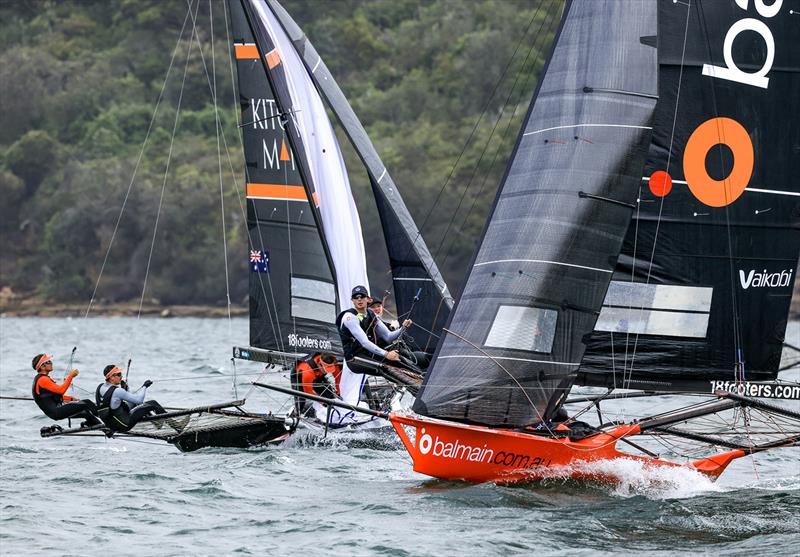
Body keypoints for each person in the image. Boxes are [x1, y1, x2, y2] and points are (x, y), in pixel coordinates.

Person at [336, 285, 413, 375]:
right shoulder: (350, 317)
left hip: (368, 355)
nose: (359, 299)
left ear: (368, 299)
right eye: (356, 297)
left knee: (400, 361)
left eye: (362, 296)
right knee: (385, 368)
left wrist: (403, 328)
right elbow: (365, 342)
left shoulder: (371, 314)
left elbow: (388, 337)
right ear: (352, 300)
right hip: (354, 359)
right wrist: (386, 354)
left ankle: (421, 382)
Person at [31, 353, 102, 427]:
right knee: (87, 403)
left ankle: (106, 430)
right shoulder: (43, 380)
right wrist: (70, 376)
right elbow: (61, 390)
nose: (51, 363)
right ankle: (106, 418)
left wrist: (70, 398)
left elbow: (54, 395)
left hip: (54, 413)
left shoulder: (41, 379)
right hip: (57, 412)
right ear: (42, 367)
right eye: (48, 362)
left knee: (85, 412)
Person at [95, 365, 167, 432]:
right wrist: (144, 386)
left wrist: (125, 390)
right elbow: (139, 400)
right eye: (119, 374)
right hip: (124, 425)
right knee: (153, 403)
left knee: (136, 404)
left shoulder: (101, 387)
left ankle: (157, 422)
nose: (121, 377)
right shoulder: (118, 391)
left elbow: (113, 400)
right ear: (112, 377)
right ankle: (174, 425)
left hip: (112, 424)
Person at [367, 298, 430, 369]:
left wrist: (396, 328)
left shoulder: (384, 323)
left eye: (378, 306)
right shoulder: (369, 323)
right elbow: (388, 338)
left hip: (402, 351)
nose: (376, 309)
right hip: (390, 356)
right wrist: (399, 327)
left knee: (429, 358)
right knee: (420, 363)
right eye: (372, 307)